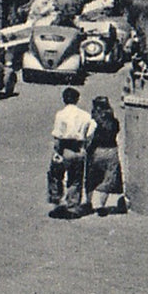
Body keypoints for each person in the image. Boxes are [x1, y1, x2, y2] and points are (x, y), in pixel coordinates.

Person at [49, 87, 95, 216]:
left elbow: (58, 135)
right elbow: (91, 131)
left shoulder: (61, 114)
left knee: (56, 175)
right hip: (79, 148)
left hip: (65, 148)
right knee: (76, 179)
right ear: (77, 99)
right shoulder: (85, 115)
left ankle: (57, 201)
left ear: (64, 99)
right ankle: (73, 205)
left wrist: (56, 152)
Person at [86, 96, 126, 215]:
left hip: (96, 151)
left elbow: (89, 136)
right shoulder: (113, 121)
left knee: (92, 177)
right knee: (109, 179)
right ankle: (100, 205)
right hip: (111, 151)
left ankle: (89, 203)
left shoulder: (94, 120)